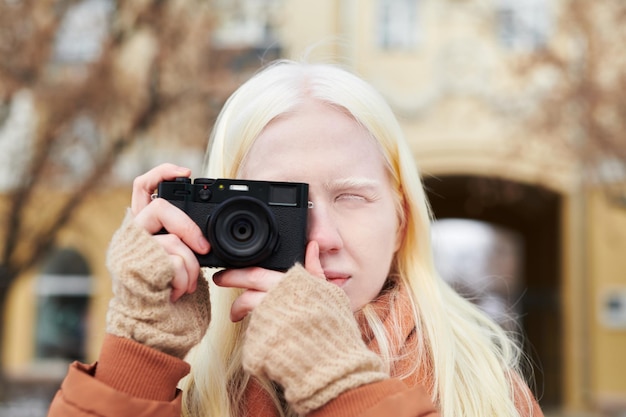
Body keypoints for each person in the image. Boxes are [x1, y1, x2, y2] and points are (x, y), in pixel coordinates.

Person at [47, 59, 543, 417]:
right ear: (213, 220)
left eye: (350, 196)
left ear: (401, 222)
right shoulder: (189, 386)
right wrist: (140, 353)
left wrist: (337, 381)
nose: (323, 236)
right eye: (285, 204)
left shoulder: (480, 388)